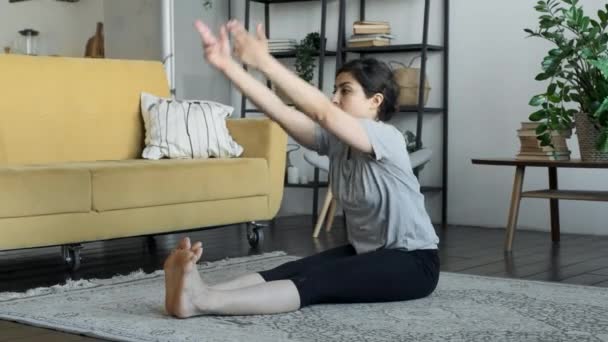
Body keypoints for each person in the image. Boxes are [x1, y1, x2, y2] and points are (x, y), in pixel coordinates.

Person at [163, 19, 440, 318]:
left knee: (316, 282)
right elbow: (280, 111)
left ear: (375, 101)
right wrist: (227, 65)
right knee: (292, 270)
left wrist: (265, 62)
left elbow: (321, 111)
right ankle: (198, 289)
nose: (335, 97)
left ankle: (202, 303)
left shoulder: (386, 137)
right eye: (334, 89)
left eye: (345, 91)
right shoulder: (336, 141)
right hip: (368, 254)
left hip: (413, 263)